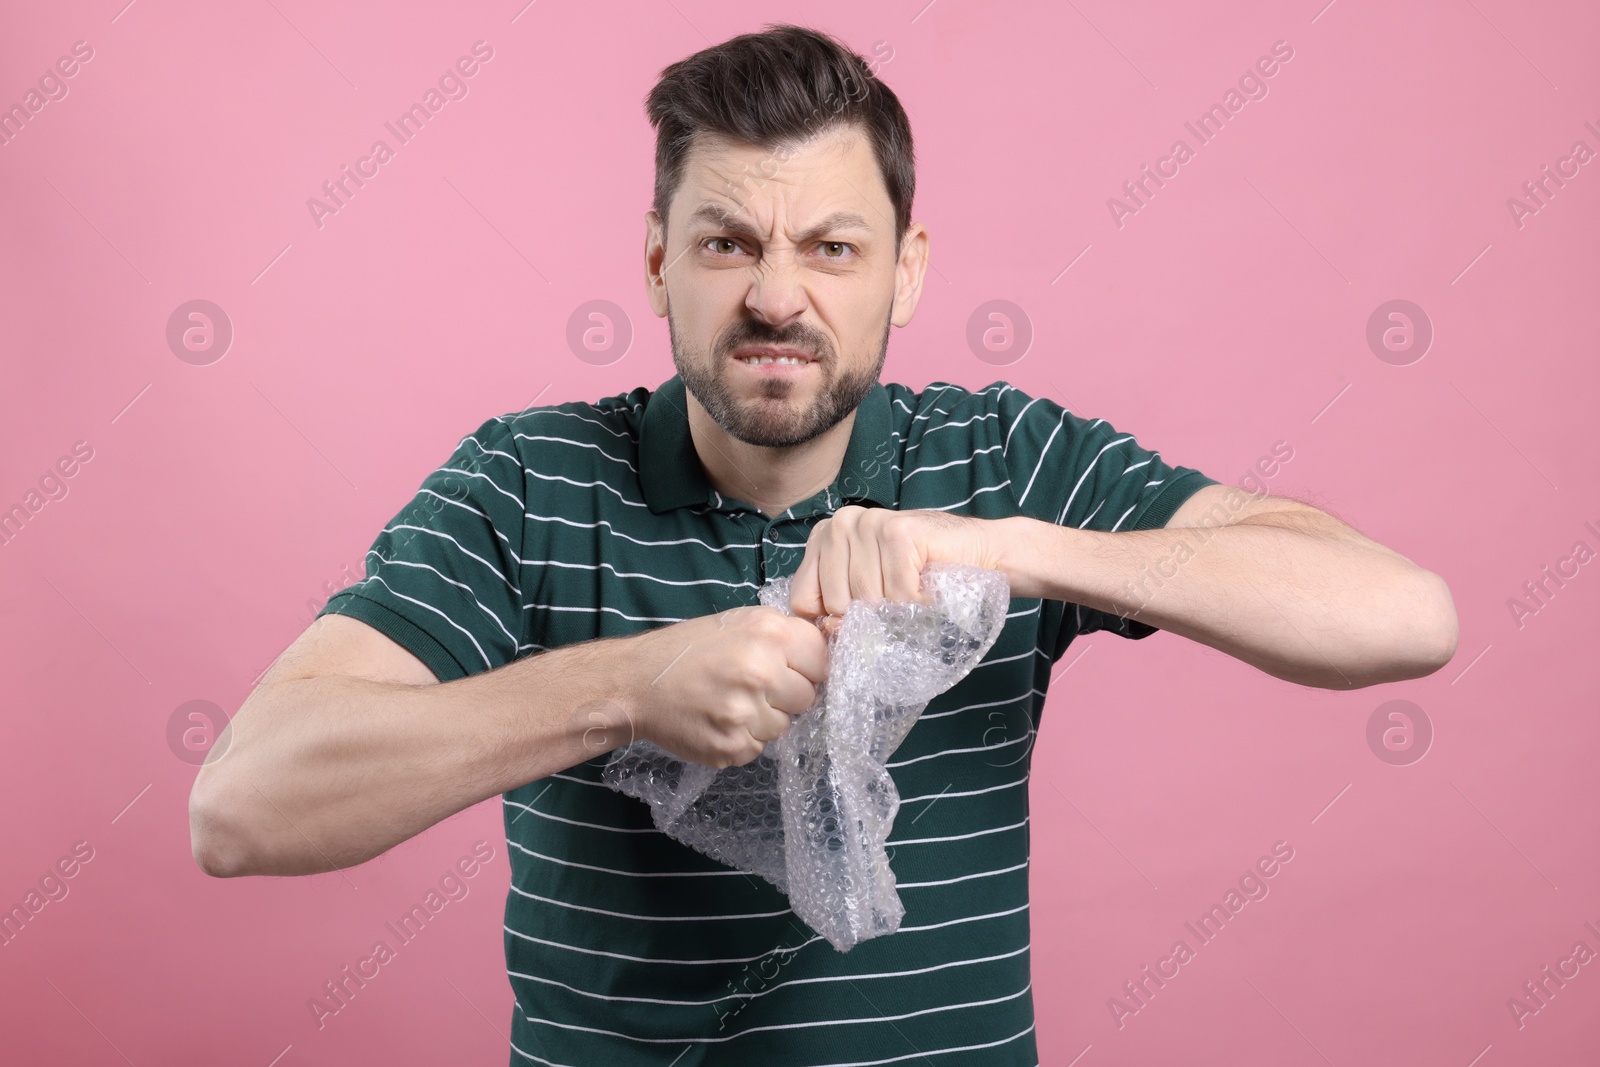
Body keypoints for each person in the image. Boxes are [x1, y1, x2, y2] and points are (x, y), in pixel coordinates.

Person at [187, 24, 1458, 1066]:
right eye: (727, 241)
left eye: (831, 248)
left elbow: (1401, 616)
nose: (777, 296)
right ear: (655, 261)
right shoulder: (528, 481)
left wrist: (1008, 546)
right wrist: (624, 688)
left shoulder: (1000, 460)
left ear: (904, 271)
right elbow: (243, 804)